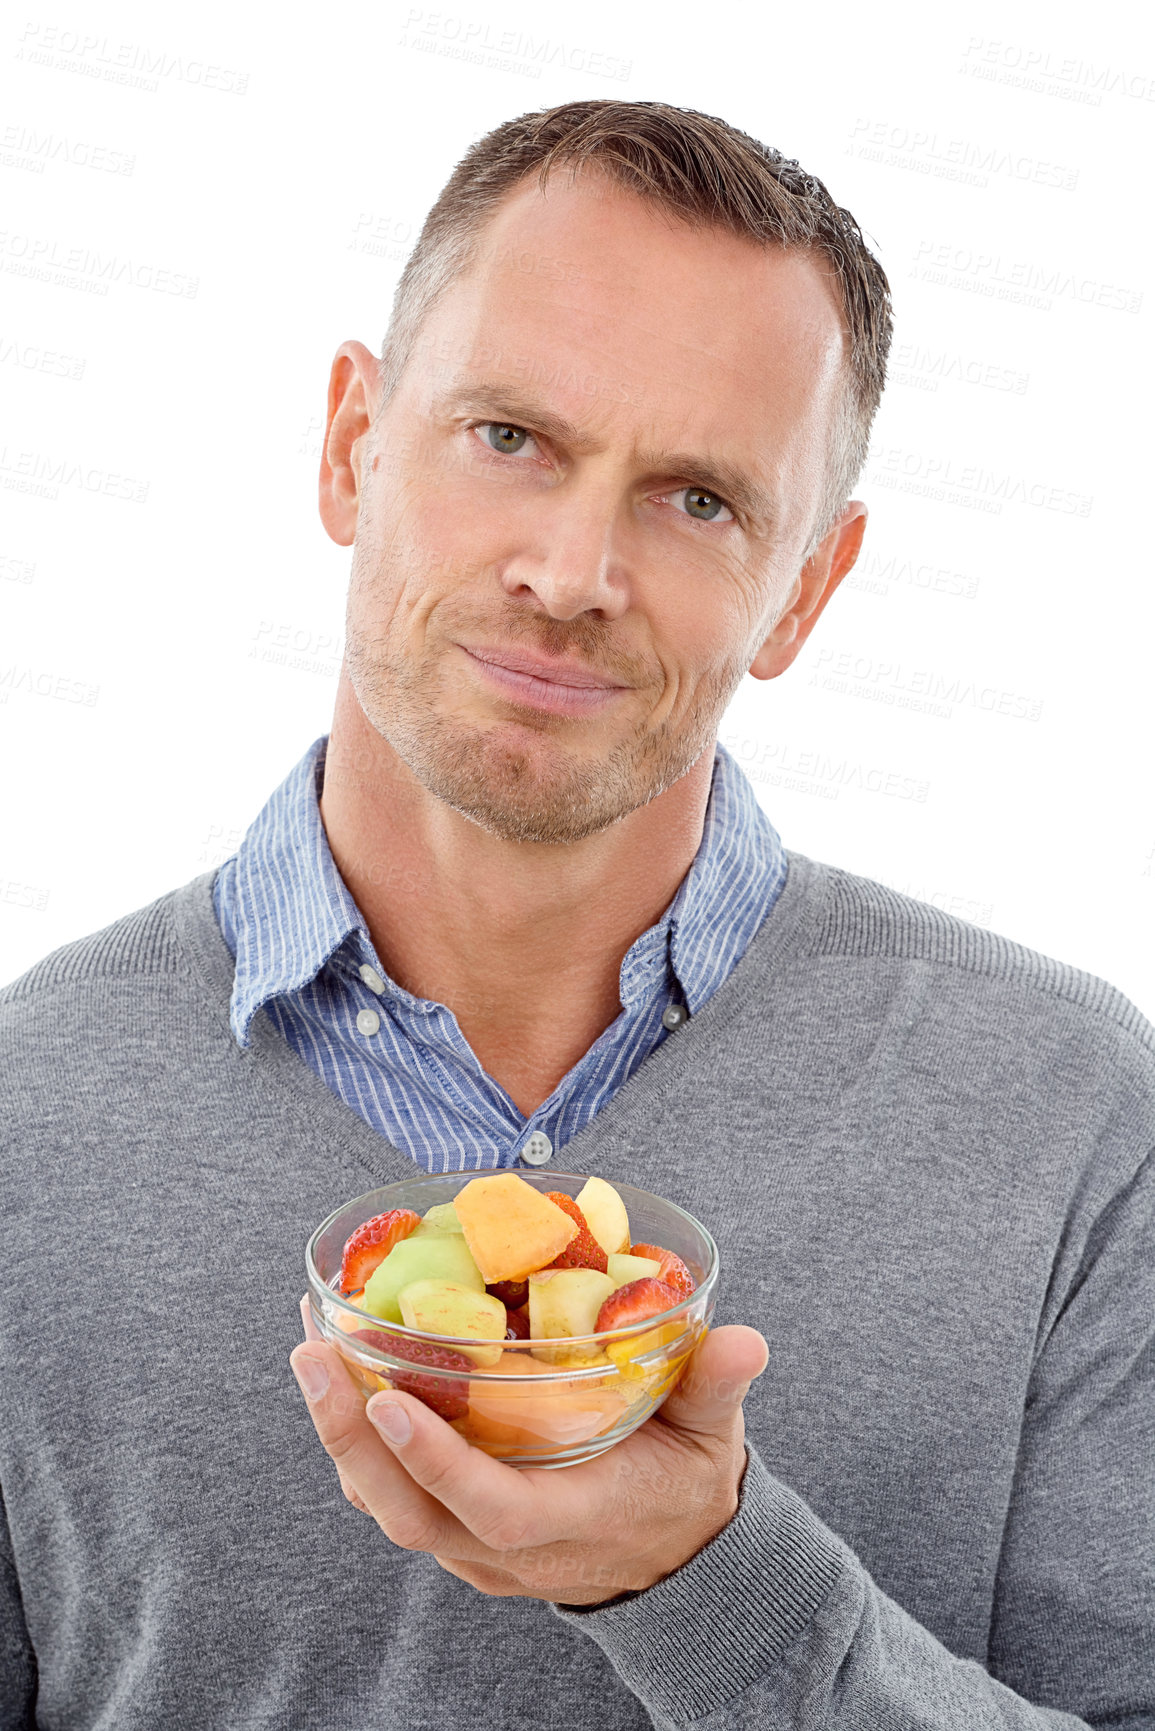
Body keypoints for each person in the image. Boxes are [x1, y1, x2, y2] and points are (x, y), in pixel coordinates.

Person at [1, 98, 1150, 1731]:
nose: (571, 567)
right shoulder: (27, 1115)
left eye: (695, 499)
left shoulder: (1066, 1106)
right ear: (351, 446)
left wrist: (714, 1584)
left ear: (806, 592)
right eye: (510, 438)